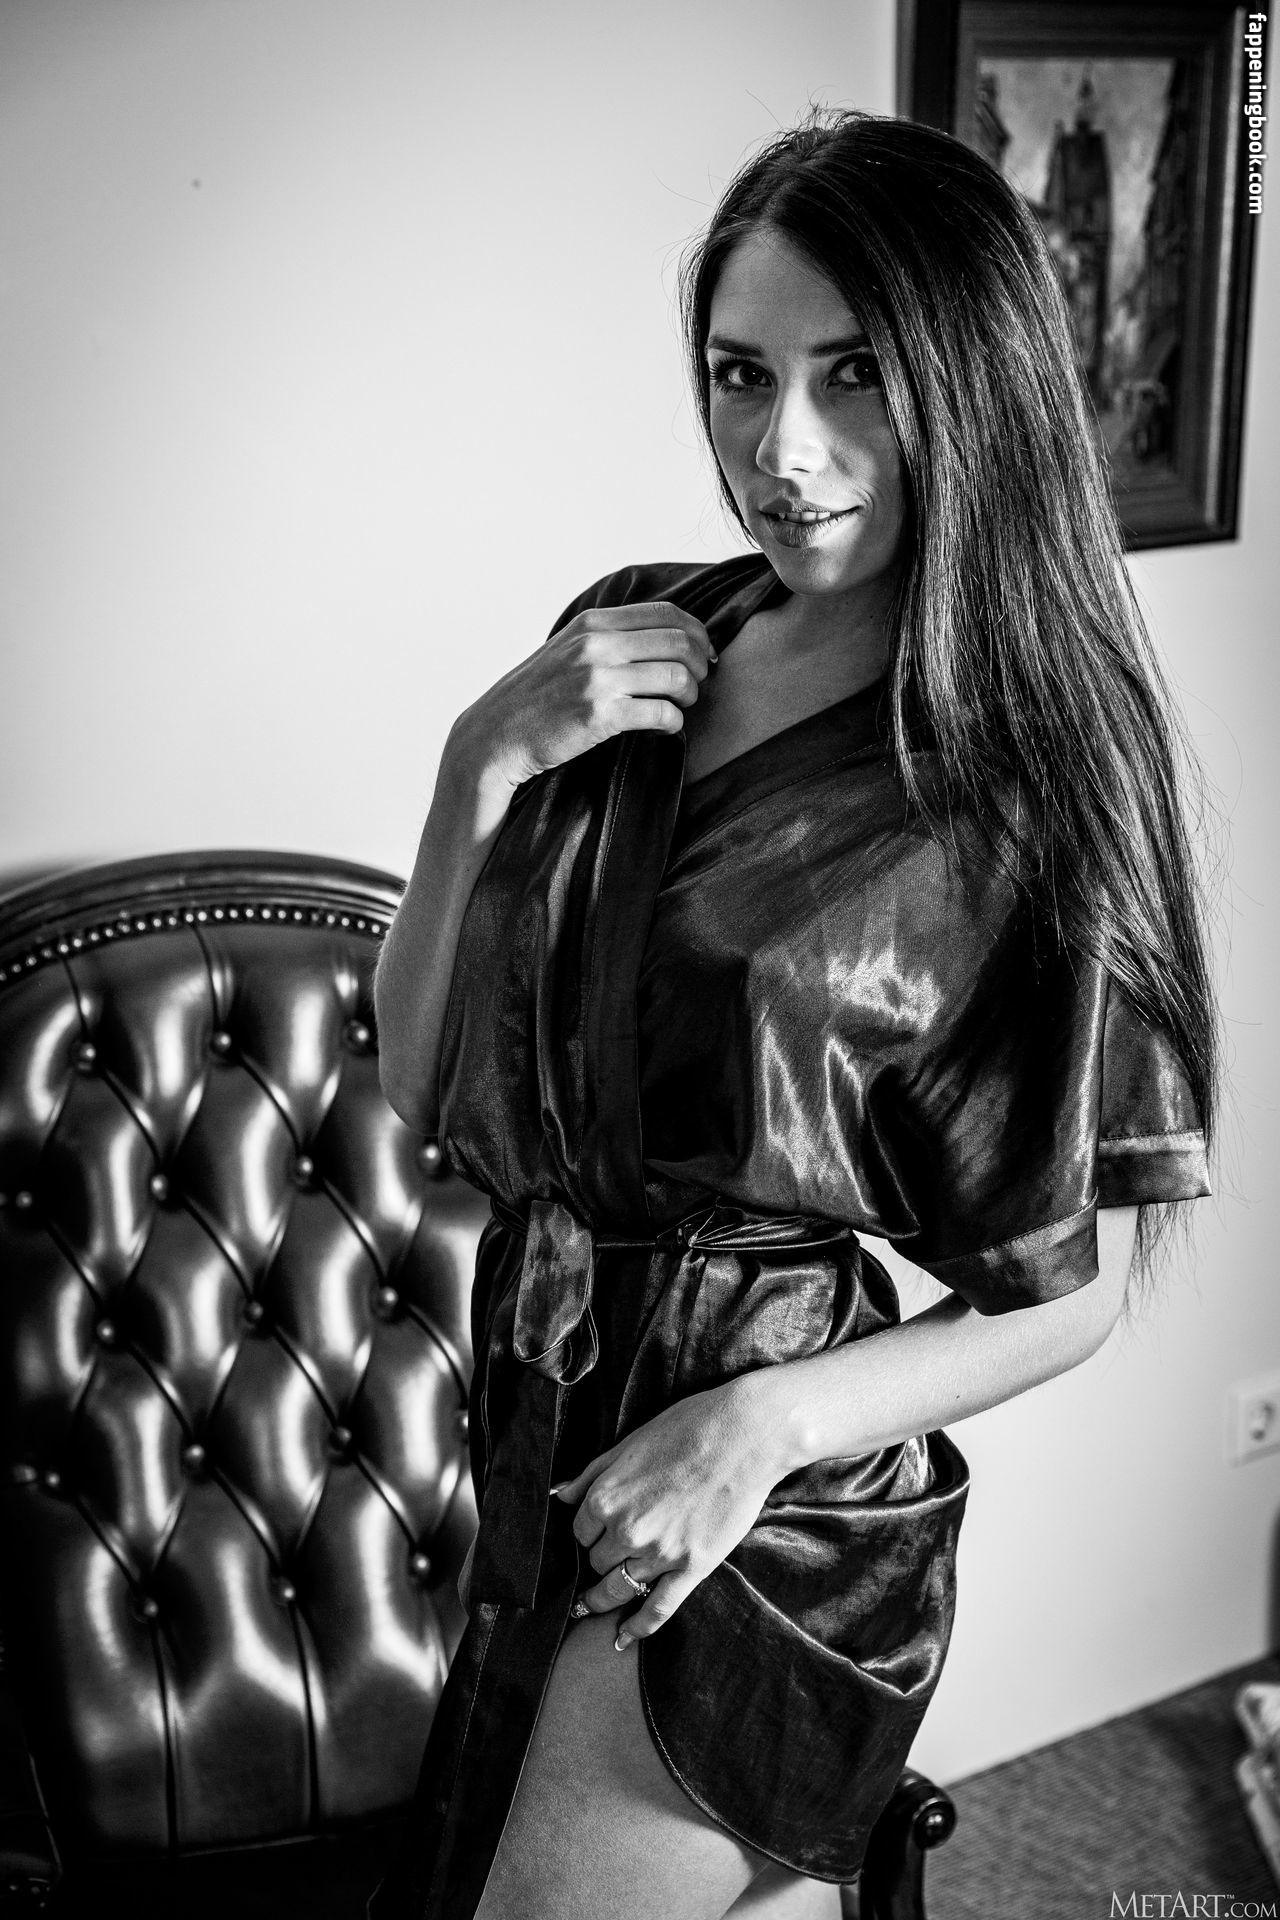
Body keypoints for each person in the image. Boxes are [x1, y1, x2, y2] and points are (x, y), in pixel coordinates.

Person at [367, 110, 1216, 1920]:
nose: (785, 451)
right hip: (546, 1416)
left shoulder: (1021, 772)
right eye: (741, 374)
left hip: (775, 1482)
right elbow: (425, 1088)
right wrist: (474, 767)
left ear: (969, 386)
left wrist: (752, 1434)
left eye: (856, 375)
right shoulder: (626, 640)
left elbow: (1064, 1292)